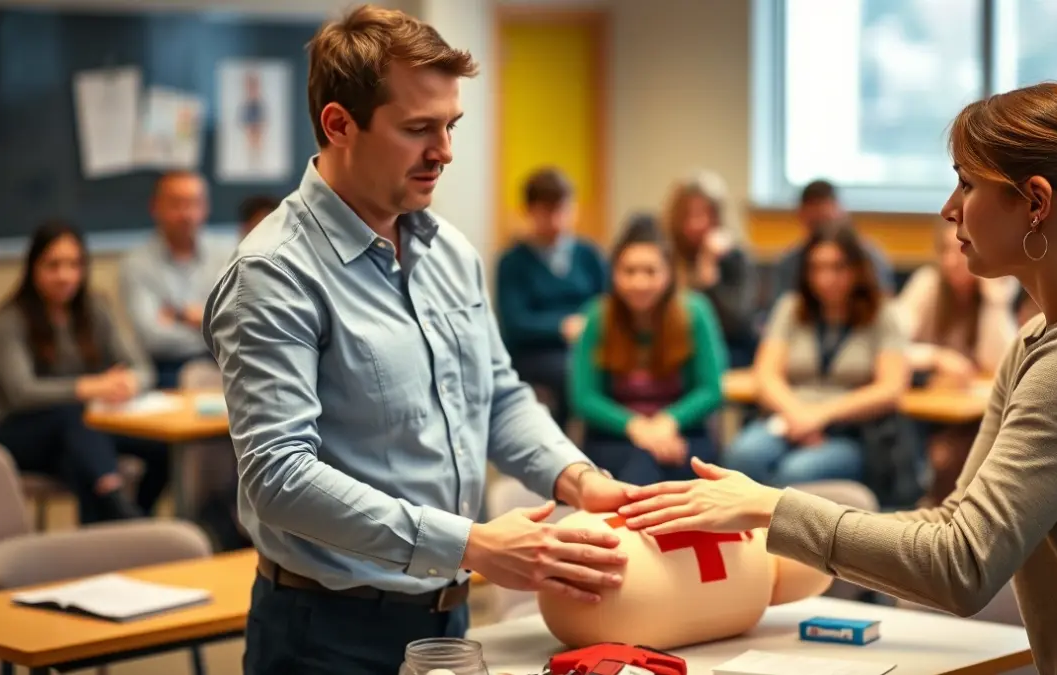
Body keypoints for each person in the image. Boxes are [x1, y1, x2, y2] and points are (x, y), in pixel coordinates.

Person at [617, 82, 1057, 674]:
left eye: (967, 185)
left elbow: (961, 567)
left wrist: (770, 508)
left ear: (1037, 203)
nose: (949, 209)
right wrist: (768, 530)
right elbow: (952, 522)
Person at [201, 7, 633, 673]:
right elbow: (279, 478)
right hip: (325, 635)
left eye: (451, 126)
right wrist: (471, 543)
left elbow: (498, 396)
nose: (445, 151)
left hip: (447, 616)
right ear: (339, 124)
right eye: (417, 129)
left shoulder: (448, 249)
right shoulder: (274, 272)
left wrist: (578, 478)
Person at [0, 221, 170, 523]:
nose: (65, 276)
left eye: (74, 264)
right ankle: (124, 514)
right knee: (75, 418)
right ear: (33, 268)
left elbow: (142, 367)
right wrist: (88, 387)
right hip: (18, 431)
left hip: (82, 432)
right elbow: (21, 392)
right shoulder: (10, 319)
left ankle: (131, 515)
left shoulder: (94, 308)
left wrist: (128, 383)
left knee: (160, 446)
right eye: (53, 265)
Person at [722, 225, 909, 487]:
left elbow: (891, 388)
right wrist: (799, 415)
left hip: (849, 432)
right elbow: (765, 375)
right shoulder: (791, 308)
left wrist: (821, 415)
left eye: (837, 267)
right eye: (816, 268)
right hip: (787, 419)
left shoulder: (882, 313)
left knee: (796, 474)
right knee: (742, 455)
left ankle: (777, 527)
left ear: (856, 269)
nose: (825, 278)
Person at [569, 213, 727, 486]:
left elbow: (711, 390)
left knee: (653, 464)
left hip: (682, 435)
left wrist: (666, 422)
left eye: (650, 272)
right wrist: (636, 427)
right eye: (629, 272)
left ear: (668, 273)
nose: (639, 283)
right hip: (614, 438)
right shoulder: (598, 316)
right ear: (614, 273)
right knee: (642, 462)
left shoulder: (695, 312)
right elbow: (583, 397)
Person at [896, 219, 1018, 504]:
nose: (951, 261)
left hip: (972, 413)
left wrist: (992, 297)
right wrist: (938, 357)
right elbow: (890, 346)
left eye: (960, 250)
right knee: (943, 457)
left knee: (968, 451)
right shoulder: (927, 284)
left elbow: (1002, 361)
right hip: (923, 413)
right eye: (944, 251)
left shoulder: (993, 293)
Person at [495, 167, 607, 427]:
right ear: (529, 211)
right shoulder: (512, 262)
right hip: (536, 354)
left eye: (563, 210)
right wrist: (562, 327)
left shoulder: (589, 255)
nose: (557, 221)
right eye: (547, 212)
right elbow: (515, 322)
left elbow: (607, 302)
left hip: (588, 346)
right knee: (572, 373)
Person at [120, 171, 229, 388]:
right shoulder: (136, 264)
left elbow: (242, 322)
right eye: (176, 204)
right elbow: (153, 336)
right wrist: (212, 323)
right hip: (167, 367)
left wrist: (182, 317)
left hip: (223, 361)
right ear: (155, 207)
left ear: (205, 207)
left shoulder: (227, 255)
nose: (186, 214)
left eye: (194, 203)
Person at [664, 170, 758, 368]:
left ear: (718, 216)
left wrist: (709, 272)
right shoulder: (665, 256)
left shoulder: (735, 258)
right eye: (687, 215)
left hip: (727, 351)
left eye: (703, 214)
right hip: (674, 349)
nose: (695, 224)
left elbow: (737, 324)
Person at [773, 180, 896, 293]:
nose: (825, 281)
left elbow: (883, 301)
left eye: (838, 267)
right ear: (801, 215)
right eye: (815, 223)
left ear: (841, 212)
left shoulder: (868, 257)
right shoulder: (791, 262)